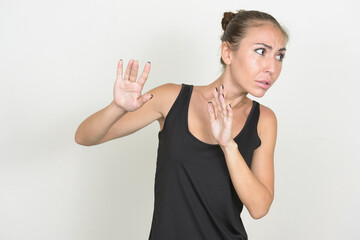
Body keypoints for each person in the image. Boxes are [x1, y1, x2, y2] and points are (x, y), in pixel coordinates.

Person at [75, 9, 289, 240]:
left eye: (279, 56)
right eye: (261, 51)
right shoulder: (171, 98)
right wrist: (116, 108)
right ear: (227, 52)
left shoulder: (263, 120)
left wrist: (229, 146)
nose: (272, 67)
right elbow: (85, 137)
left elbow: (259, 208)